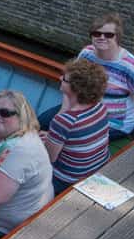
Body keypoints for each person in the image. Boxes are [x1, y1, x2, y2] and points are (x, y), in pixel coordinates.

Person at [71, 13, 134, 153]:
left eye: (108, 35)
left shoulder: (130, 67)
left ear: (117, 37)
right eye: (97, 33)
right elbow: (74, 84)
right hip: (85, 111)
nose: (102, 37)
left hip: (115, 123)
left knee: (73, 137)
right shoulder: (86, 54)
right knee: (46, 121)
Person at [0, 91, 52, 235]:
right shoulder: (15, 134)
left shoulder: (18, 150)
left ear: (21, 116)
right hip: (30, 208)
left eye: (5, 113)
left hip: (4, 226)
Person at [44, 58, 112, 196]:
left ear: (76, 88)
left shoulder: (64, 121)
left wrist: (42, 142)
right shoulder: (100, 108)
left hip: (68, 179)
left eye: (64, 79)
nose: (60, 78)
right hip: (97, 167)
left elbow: (49, 158)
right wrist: (51, 138)